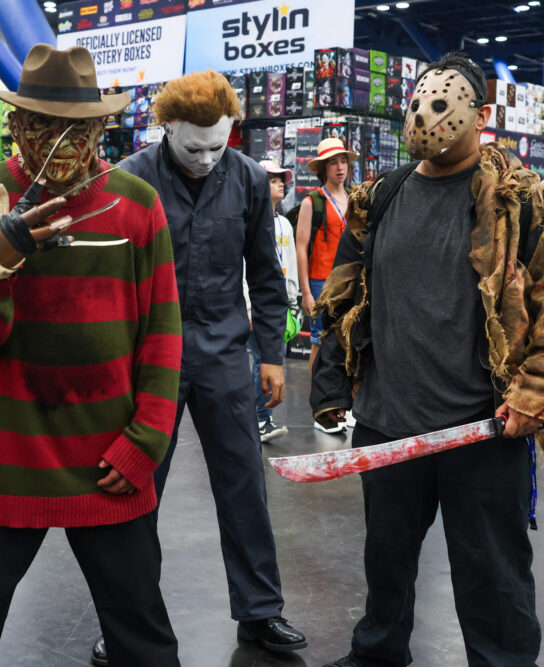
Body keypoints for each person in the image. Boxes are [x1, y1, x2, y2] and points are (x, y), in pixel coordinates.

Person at [311, 52, 544, 667]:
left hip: (482, 429)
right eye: (417, 101)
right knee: (385, 562)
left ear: (481, 115)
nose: (424, 114)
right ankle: (377, 654)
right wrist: (332, 383)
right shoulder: (381, 197)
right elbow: (345, 294)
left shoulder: (519, 203)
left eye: (442, 103)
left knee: (493, 579)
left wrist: (533, 397)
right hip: (388, 423)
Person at [0, 45, 181, 667]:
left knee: (142, 640)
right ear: (17, 124)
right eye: (41, 124)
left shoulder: (136, 204)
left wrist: (148, 437)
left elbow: (163, 328)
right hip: (3, 458)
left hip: (111, 457)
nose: (59, 142)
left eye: (75, 128)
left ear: (98, 127)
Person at [100, 70, 307, 664]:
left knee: (244, 482)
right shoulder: (130, 180)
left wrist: (271, 356)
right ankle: (126, 619)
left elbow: (267, 275)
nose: (208, 159)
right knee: (136, 489)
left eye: (219, 145)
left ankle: (261, 611)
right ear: (165, 129)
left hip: (223, 349)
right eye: (194, 148)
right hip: (149, 356)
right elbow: (108, 285)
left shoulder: (244, 179)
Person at [295, 137, 357, 434]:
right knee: (321, 345)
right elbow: (300, 247)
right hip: (322, 283)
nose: (340, 167)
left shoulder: (355, 198)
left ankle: (344, 404)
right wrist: (306, 292)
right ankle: (320, 407)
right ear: (324, 168)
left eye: (343, 161)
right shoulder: (312, 202)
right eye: (333, 162)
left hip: (351, 283)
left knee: (350, 343)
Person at [246, 159, 298, 442]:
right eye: (272, 179)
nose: (280, 183)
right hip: (256, 308)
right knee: (261, 361)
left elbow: (289, 263)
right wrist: (248, 306)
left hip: (279, 308)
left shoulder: (285, 225)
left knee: (270, 360)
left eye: (282, 179)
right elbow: (244, 269)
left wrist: (292, 303)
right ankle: (261, 419)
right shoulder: (249, 222)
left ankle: (260, 418)